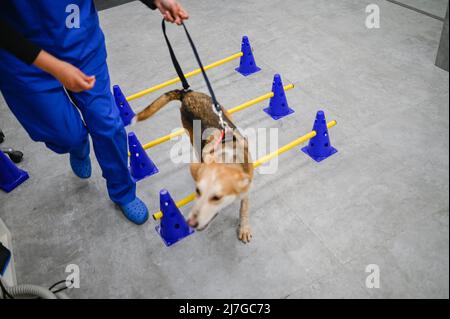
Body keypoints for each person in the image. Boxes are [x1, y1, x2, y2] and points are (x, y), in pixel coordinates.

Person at [0, 0, 189, 225]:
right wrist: (53, 65)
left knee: (107, 123)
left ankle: (123, 192)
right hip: (21, 59)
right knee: (65, 134)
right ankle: (77, 144)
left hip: (79, 41)